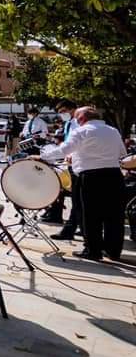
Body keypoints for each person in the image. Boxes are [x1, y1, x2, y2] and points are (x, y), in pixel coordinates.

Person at [40, 106, 127, 261]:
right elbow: (122, 153)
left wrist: (44, 156)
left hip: (91, 177)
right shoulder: (112, 131)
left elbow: (63, 150)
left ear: (81, 119)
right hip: (114, 175)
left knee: (90, 215)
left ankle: (93, 250)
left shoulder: (81, 131)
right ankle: (113, 251)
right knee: (114, 216)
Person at [49, 99, 82, 236]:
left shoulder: (79, 122)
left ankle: (70, 228)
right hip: (71, 162)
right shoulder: (69, 123)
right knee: (77, 198)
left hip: (78, 163)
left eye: (63, 111)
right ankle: (80, 226)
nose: (62, 115)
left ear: (71, 109)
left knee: (77, 198)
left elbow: (78, 142)